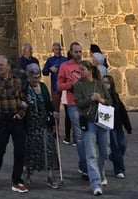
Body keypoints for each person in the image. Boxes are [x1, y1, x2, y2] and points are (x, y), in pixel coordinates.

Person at [0, 55, 29, 193]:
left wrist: (20, 114)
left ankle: (17, 180)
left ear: (8, 67)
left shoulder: (17, 80)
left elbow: (24, 100)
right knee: (0, 149)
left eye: (2, 65)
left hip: (16, 119)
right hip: (2, 119)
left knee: (20, 151)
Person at [73, 61, 109, 196]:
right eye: (79, 70)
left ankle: (101, 173)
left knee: (105, 152)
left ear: (90, 70)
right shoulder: (78, 85)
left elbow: (110, 101)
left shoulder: (99, 84)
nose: (80, 72)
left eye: (82, 69)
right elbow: (78, 103)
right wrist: (91, 99)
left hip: (102, 121)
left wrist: (101, 100)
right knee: (91, 154)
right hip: (88, 122)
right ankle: (96, 184)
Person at [23, 63, 60, 188]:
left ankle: (50, 176)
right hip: (31, 125)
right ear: (28, 77)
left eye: (38, 77)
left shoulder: (43, 86)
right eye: (34, 77)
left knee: (49, 149)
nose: (36, 80)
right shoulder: (24, 88)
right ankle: (27, 173)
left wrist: (54, 111)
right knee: (31, 151)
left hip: (44, 123)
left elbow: (48, 101)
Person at [57, 41, 87, 177]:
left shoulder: (85, 65)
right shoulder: (65, 66)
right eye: (76, 52)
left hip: (87, 103)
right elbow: (59, 86)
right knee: (79, 135)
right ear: (70, 53)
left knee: (89, 134)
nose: (79, 54)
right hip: (73, 104)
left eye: (80, 51)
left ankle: (87, 162)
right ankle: (84, 166)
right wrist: (71, 84)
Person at [102, 74, 132, 179]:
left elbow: (122, 111)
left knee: (122, 145)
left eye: (107, 83)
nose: (105, 84)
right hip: (109, 126)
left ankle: (113, 157)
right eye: (103, 82)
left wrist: (128, 126)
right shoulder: (101, 96)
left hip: (118, 125)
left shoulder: (115, 95)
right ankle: (119, 170)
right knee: (116, 148)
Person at [42, 42, 69, 143]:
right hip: (55, 88)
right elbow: (44, 72)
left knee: (68, 111)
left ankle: (68, 133)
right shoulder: (50, 60)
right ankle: (55, 130)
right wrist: (50, 69)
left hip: (65, 88)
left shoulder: (65, 60)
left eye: (59, 49)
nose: (57, 51)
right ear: (53, 50)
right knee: (55, 110)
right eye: (56, 49)